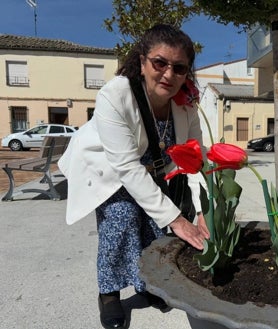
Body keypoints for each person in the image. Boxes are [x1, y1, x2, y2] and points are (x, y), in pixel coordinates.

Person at [58, 24, 210, 329]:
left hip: (154, 170)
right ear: (142, 62)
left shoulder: (187, 105)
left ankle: (148, 284)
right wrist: (177, 218)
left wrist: (205, 209)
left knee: (155, 227)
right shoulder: (115, 95)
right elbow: (125, 166)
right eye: (160, 63)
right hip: (109, 167)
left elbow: (196, 159)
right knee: (122, 219)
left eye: (179, 67)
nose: (169, 74)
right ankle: (109, 294)